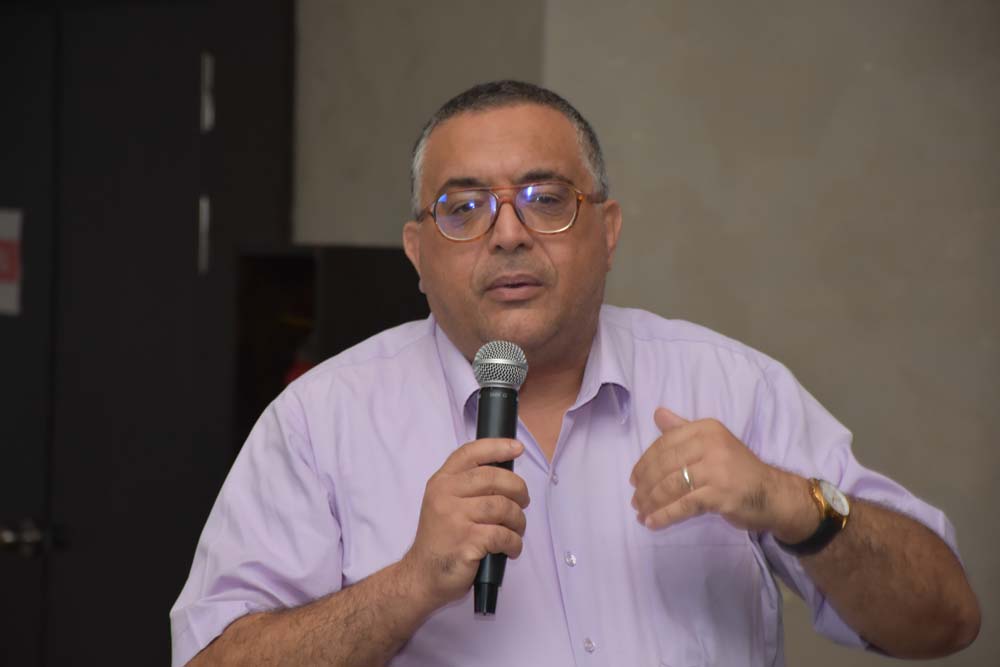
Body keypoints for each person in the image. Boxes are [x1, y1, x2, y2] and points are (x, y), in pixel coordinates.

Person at [170, 80, 980, 666]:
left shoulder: (731, 386)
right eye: (463, 208)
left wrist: (793, 502)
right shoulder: (321, 420)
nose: (508, 234)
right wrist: (410, 583)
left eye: (545, 198)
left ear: (608, 229)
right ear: (417, 252)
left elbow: (946, 618)